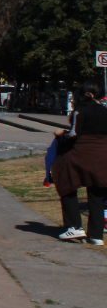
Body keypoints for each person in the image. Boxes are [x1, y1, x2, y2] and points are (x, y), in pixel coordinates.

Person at [52, 86, 107, 245]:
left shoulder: (81, 110)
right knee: (97, 193)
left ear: (88, 94)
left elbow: (73, 134)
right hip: (103, 156)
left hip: (83, 153)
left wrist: (61, 133)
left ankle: (74, 226)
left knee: (66, 183)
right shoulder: (105, 111)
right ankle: (96, 235)